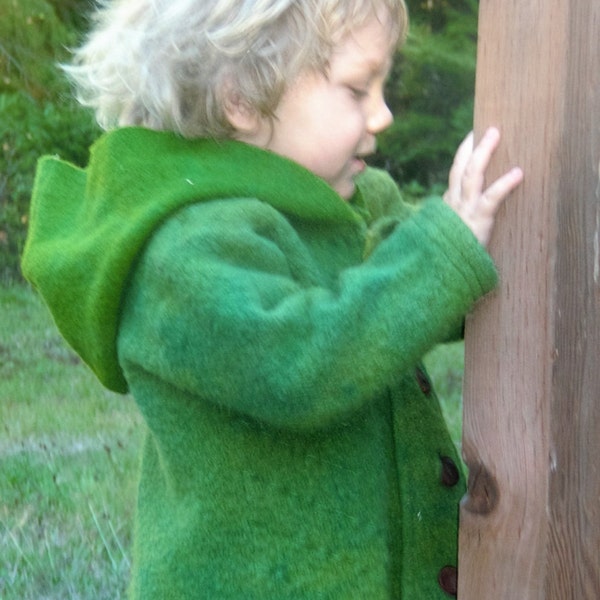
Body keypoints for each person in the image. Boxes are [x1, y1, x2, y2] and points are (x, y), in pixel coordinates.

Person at [22, 0, 523, 597]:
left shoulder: (349, 202)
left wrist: (469, 253)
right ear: (242, 99)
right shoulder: (185, 251)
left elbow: (411, 286)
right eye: (358, 89)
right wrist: (442, 255)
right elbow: (300, 364)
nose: (383, 114)